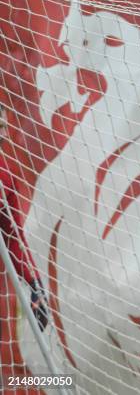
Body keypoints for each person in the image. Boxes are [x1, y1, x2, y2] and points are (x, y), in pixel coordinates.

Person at [0, 105, 48, 331]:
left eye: (3, 126)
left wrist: (34, 283)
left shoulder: (5, 173)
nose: (2, 133)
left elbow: (14, 235)